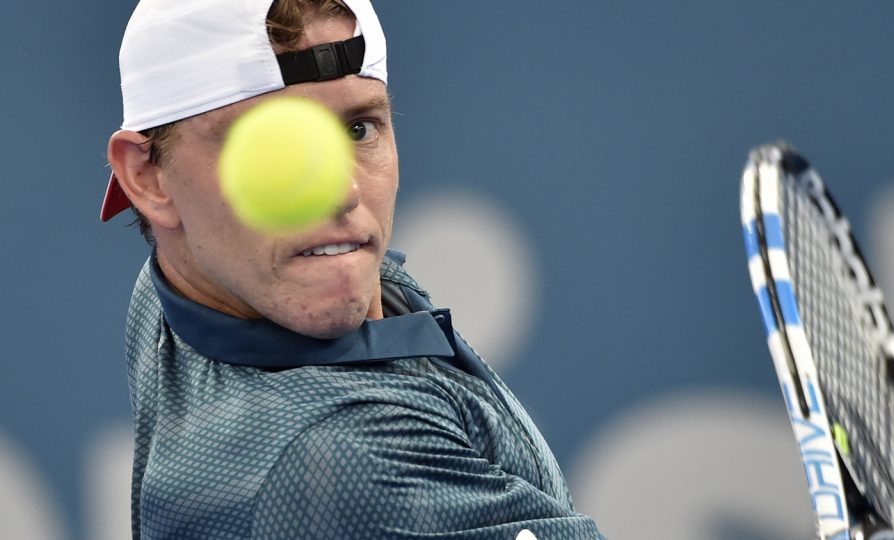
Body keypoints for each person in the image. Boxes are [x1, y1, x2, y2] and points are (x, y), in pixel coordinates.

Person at [103, 0, 603, 538]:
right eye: (274, 148)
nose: (343, 190)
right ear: (149, 179)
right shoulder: (347, 460)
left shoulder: (184, 286)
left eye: (359, 129)